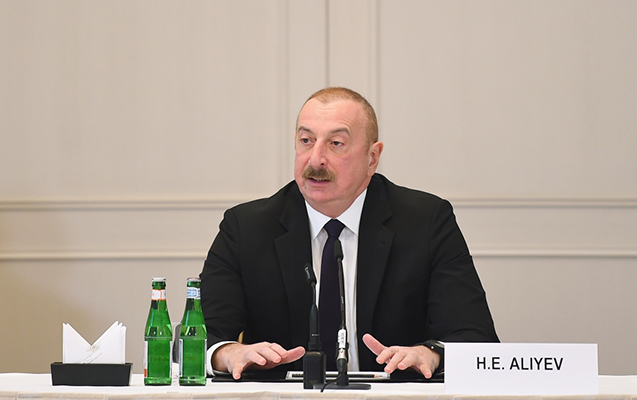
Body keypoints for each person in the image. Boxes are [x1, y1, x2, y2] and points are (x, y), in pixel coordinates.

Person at [199, 87, 498, 380]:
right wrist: (226, 353)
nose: (315, 160)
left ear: (372, 157)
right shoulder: (247, 228)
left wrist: (432, 354)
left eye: (336, 143)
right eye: (306, 141)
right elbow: (200, 336)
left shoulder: (426, 222)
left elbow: (475, 337)